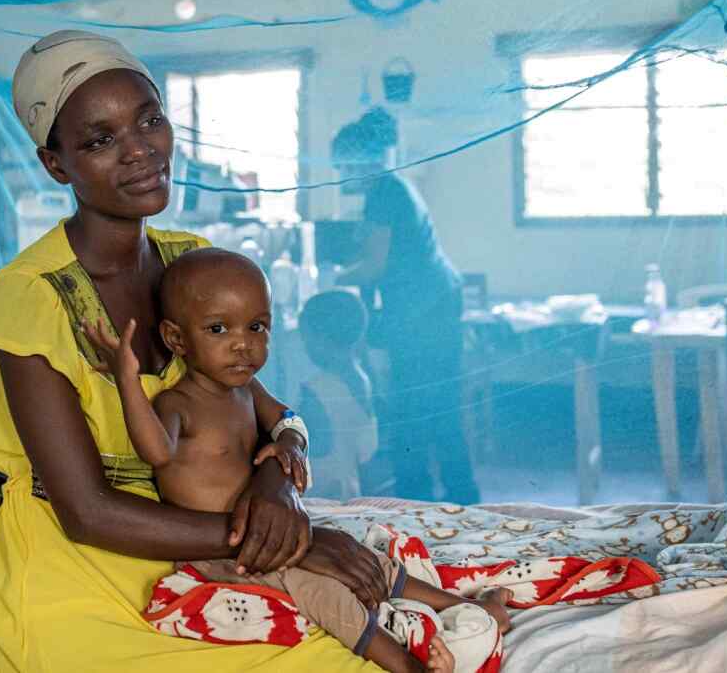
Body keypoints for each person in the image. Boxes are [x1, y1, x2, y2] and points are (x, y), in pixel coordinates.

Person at [0, 30, 398, 672]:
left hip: (203, 540)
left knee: (370, 638)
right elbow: (85, 511)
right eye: (100, 139)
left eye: (149, 120)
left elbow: (268, 414)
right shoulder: (28, 298)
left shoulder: (190, 262)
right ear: (56, 165)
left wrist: (280, 484)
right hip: (82, 563)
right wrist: (294, 541)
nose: (140, 151)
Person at [84, 247, 510, 673]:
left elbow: (287, 421)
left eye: (257, 327)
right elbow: (155, 451)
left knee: (369, 561)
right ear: (177, 339)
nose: (242, 344)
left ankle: (472, 608)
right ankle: (405, 664)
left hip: (280, 533)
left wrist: (287, 443)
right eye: (218, 329)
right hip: (225, 552)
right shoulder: (177, 404)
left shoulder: (248, 390)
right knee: (325, 595)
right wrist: (127, 381)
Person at [332, 109, 481, 505]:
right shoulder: (388, 189)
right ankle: (449, 496)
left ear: (358, 159)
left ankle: (425, 500)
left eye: (343, 165)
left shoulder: (386, 193)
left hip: (426, 311)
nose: (342, 174)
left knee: (418, 409)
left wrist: (331, 278)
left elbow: (376, 265)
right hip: (427, 306)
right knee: (429, 408)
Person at [298, 289, 379, 500]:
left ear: (322, 339)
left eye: (307, 339)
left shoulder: (315, 390)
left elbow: (306, 449)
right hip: (350, 490)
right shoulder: (362, 377)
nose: (305, 347)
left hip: (321, 493)